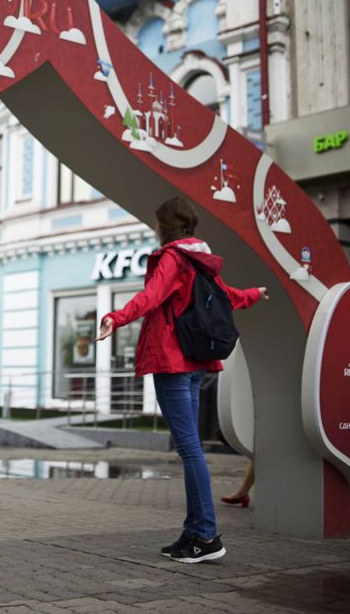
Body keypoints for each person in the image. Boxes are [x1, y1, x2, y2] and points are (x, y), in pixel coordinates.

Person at [97, 196, 267, 564]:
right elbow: (227, 298)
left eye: (157, 224)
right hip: (196, 362)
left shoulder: (173, 258)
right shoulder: (202, 260)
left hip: (173, 361)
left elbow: (152, 296)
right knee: (192, 450)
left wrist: (116, 317)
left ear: (165, 226)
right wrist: (255, 294)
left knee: (190, 450)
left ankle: (206, 536)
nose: (155, 229)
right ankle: (193, 532)